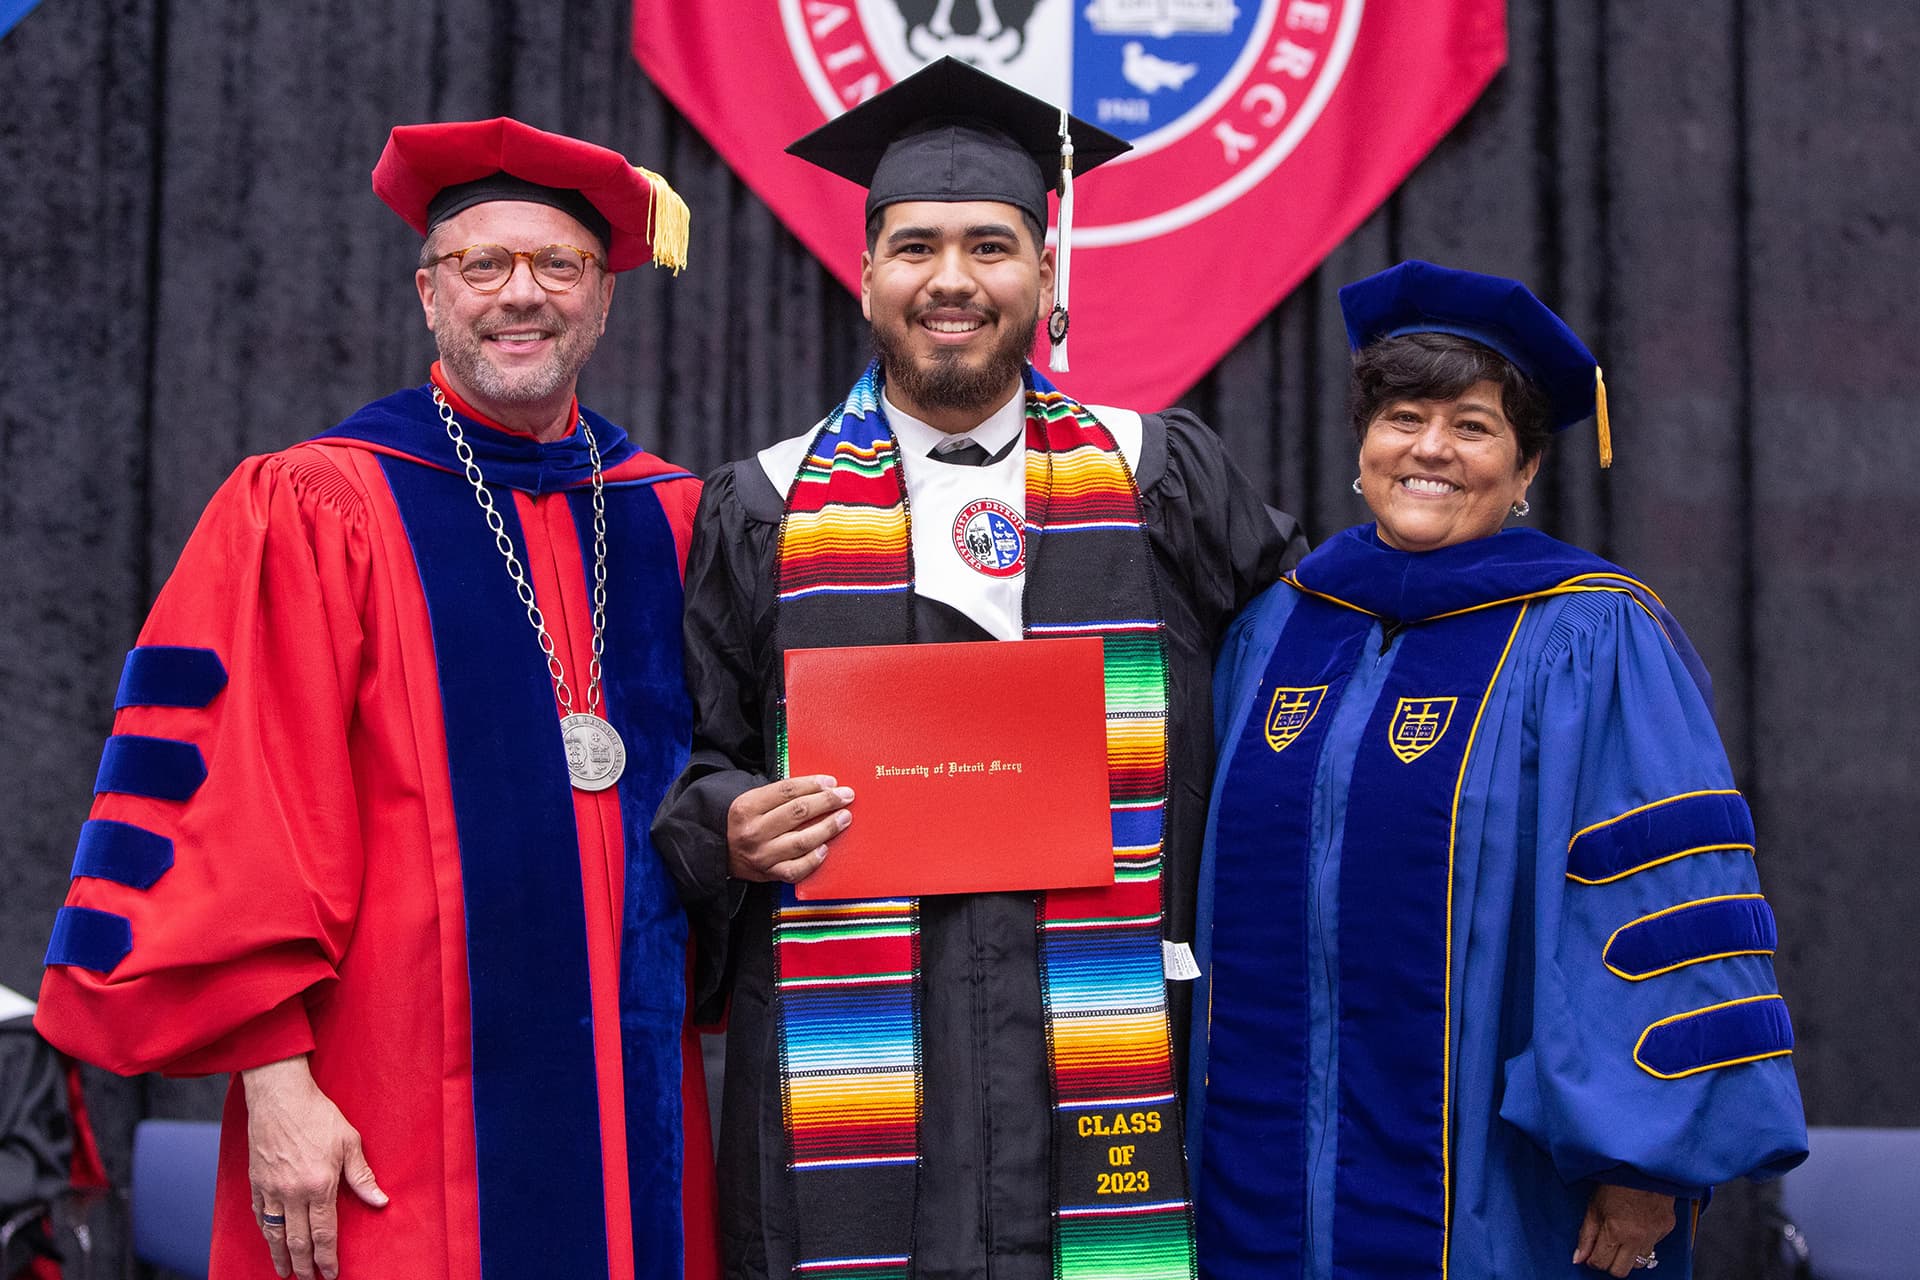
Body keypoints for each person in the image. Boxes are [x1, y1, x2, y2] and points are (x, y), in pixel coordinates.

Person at [649, 56, 1306, 1280]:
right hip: (846, 1061)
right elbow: (700, 752)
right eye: (916, 246)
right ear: (863, 276)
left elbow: (1296, 689)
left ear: (1045, 274)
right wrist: (728, 823)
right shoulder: (767, 504)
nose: (952, 280)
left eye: (992, 245)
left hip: (1099, 1036)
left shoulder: (1157, 475)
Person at [34, 118, 718, 1280]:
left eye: (559, 265)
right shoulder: (318, 506)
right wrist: (277, 1082)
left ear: (603, 300)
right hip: (387, 1101)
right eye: (482, 264)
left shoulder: (676, 517)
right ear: (428, 293)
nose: (522, 295)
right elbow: (235, 801)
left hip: (631, 1099)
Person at [1186, 260, 1808, 1279]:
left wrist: (1645, 1158)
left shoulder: (1593, 636)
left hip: (1497, 1185)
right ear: (1363, 444)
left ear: (1522, 472)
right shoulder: (1280, 626)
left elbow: (1662, 895)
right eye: (1403, 415)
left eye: (1473, 426)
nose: (1431, 447)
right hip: (1259, 1175)